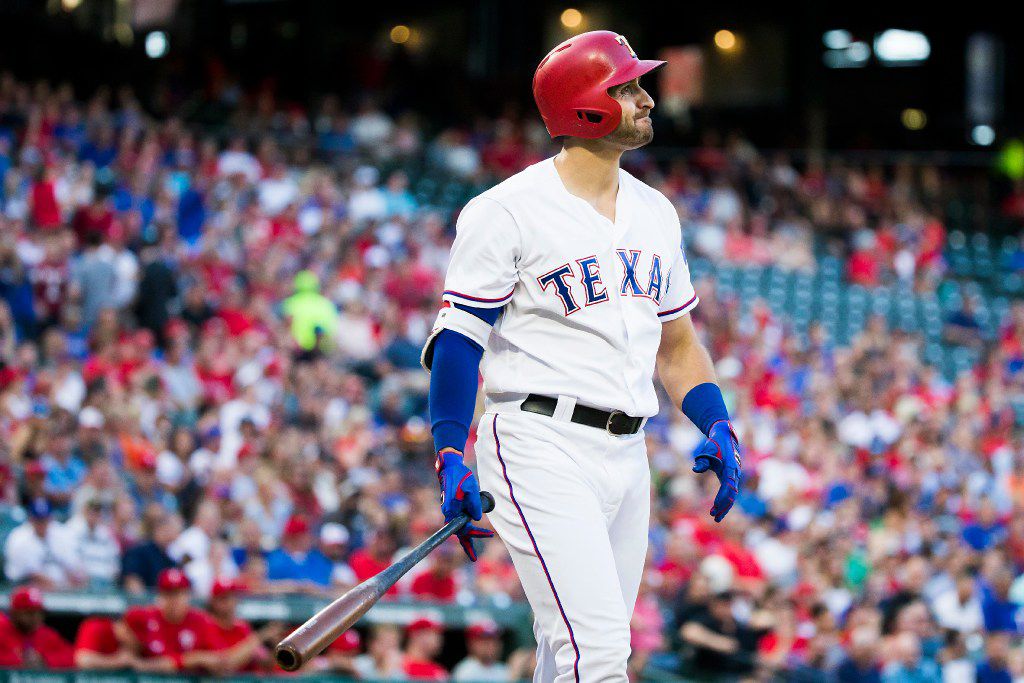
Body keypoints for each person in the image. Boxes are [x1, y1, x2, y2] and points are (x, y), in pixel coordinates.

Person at [423, 30, 741, 682]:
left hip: (627, 453)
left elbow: (677, 345)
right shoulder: (506, 210)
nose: (648, 98)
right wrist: (451, 449)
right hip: (540, 440)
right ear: (586, 106)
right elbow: (459, 342)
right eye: (627, 88)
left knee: (566, 647)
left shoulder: (655, 212)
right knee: (595, 654)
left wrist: (717, 420)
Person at [115, 568, 222, 673]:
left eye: (179, 594)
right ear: (160, 595)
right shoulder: (143, 616)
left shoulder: (201, 620)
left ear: (188, 595)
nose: (174, 600)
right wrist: (132, 647)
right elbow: (117, 628)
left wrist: (190, 661)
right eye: (169, 594)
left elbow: (219, 661)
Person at [2, 497, 83, 588]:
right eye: (38, 520)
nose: (42, 524)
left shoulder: (63, 534)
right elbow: (24, 575)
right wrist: (57, 585)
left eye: (45, 519)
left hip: (64, 591)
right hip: (28, 591)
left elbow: (75, 568)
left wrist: (76, 578)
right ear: (30, 519)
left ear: (51, 518)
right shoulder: (18, 538)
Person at [0, 586, 75, 669]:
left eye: (39, 613)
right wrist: (19, 661)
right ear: (14, 612)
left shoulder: (45, 633)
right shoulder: (2, 629)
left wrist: (44, 660)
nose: (36, 617)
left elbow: (71, 657)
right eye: (30, 613)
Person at [205, 578, 263, 673]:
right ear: (213, 601)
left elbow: (264, 660)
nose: (230, 603)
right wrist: (261, 637)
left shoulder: (242, 626)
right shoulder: (207, 625)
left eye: (232, 597)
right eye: (224, 598)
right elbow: (225, 664)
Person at [120, 511, 181, 592]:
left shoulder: (171, 559)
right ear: (158, 529)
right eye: (169, 530)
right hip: (140, 602)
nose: (172, 535)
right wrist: (144, 600)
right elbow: (132, 581)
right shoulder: (139, 551)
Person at [401, 615, 448, 681]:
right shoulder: (398, 665)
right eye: (435, 633)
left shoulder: (439, 672)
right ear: (416, 634)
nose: (439, 639)